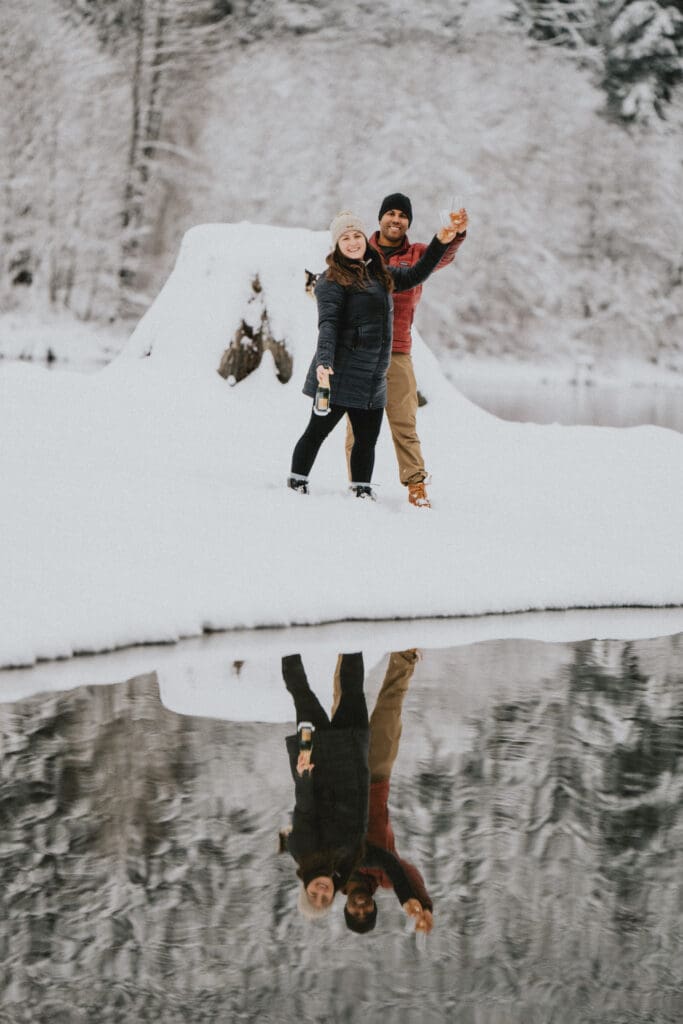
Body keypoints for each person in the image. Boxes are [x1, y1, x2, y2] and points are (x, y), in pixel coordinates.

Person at [288, 209, 462, 500]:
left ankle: (361, 491)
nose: (353, 242)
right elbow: (328, 324)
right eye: (345, 238)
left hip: (373, 375)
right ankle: (297, 482)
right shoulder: (331, 280)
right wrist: (324, 362)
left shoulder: (380, 274)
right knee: (317, 432)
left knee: (367, 439)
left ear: (365, 240)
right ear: (337, 245)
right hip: (339, 373)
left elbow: (417, 273)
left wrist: (441, 241)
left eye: (357, 235)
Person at [345, 193, 468, 508]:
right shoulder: (361, 250)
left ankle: (416, 485)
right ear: (380, 218)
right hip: (360, 352)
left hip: (397, 350)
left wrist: (455, 233)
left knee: (404, 423)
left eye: (402, 215)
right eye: (391, 213)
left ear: (408, 223)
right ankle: (358, 485)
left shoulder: (417, 255)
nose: (396, 220)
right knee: (357, 426)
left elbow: (442, 255)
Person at [332, 649, 434, 935]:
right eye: (367, 912)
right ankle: (405, 654)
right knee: (390, 709)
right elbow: (409, 875)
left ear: (346, 907)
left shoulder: (332, 874)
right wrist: (423, 905)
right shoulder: (388, 877)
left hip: (343, 775)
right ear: (374, 906)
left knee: (343, 703)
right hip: (377, 779)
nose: (361, 907)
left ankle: (347, 647)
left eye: (355, 913)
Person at [281, 652, 370, 918]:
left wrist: (303, 774)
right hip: (352, 751)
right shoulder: (348, 864)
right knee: (353, 685)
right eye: (325, 898)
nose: (321, 891)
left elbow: (305, 807)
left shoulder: (302, 851)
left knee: (300, 691)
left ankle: (287, 637)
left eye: (313, 895)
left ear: (305, 888)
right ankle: (352, 632)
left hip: (316, 757)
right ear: (333, 896)